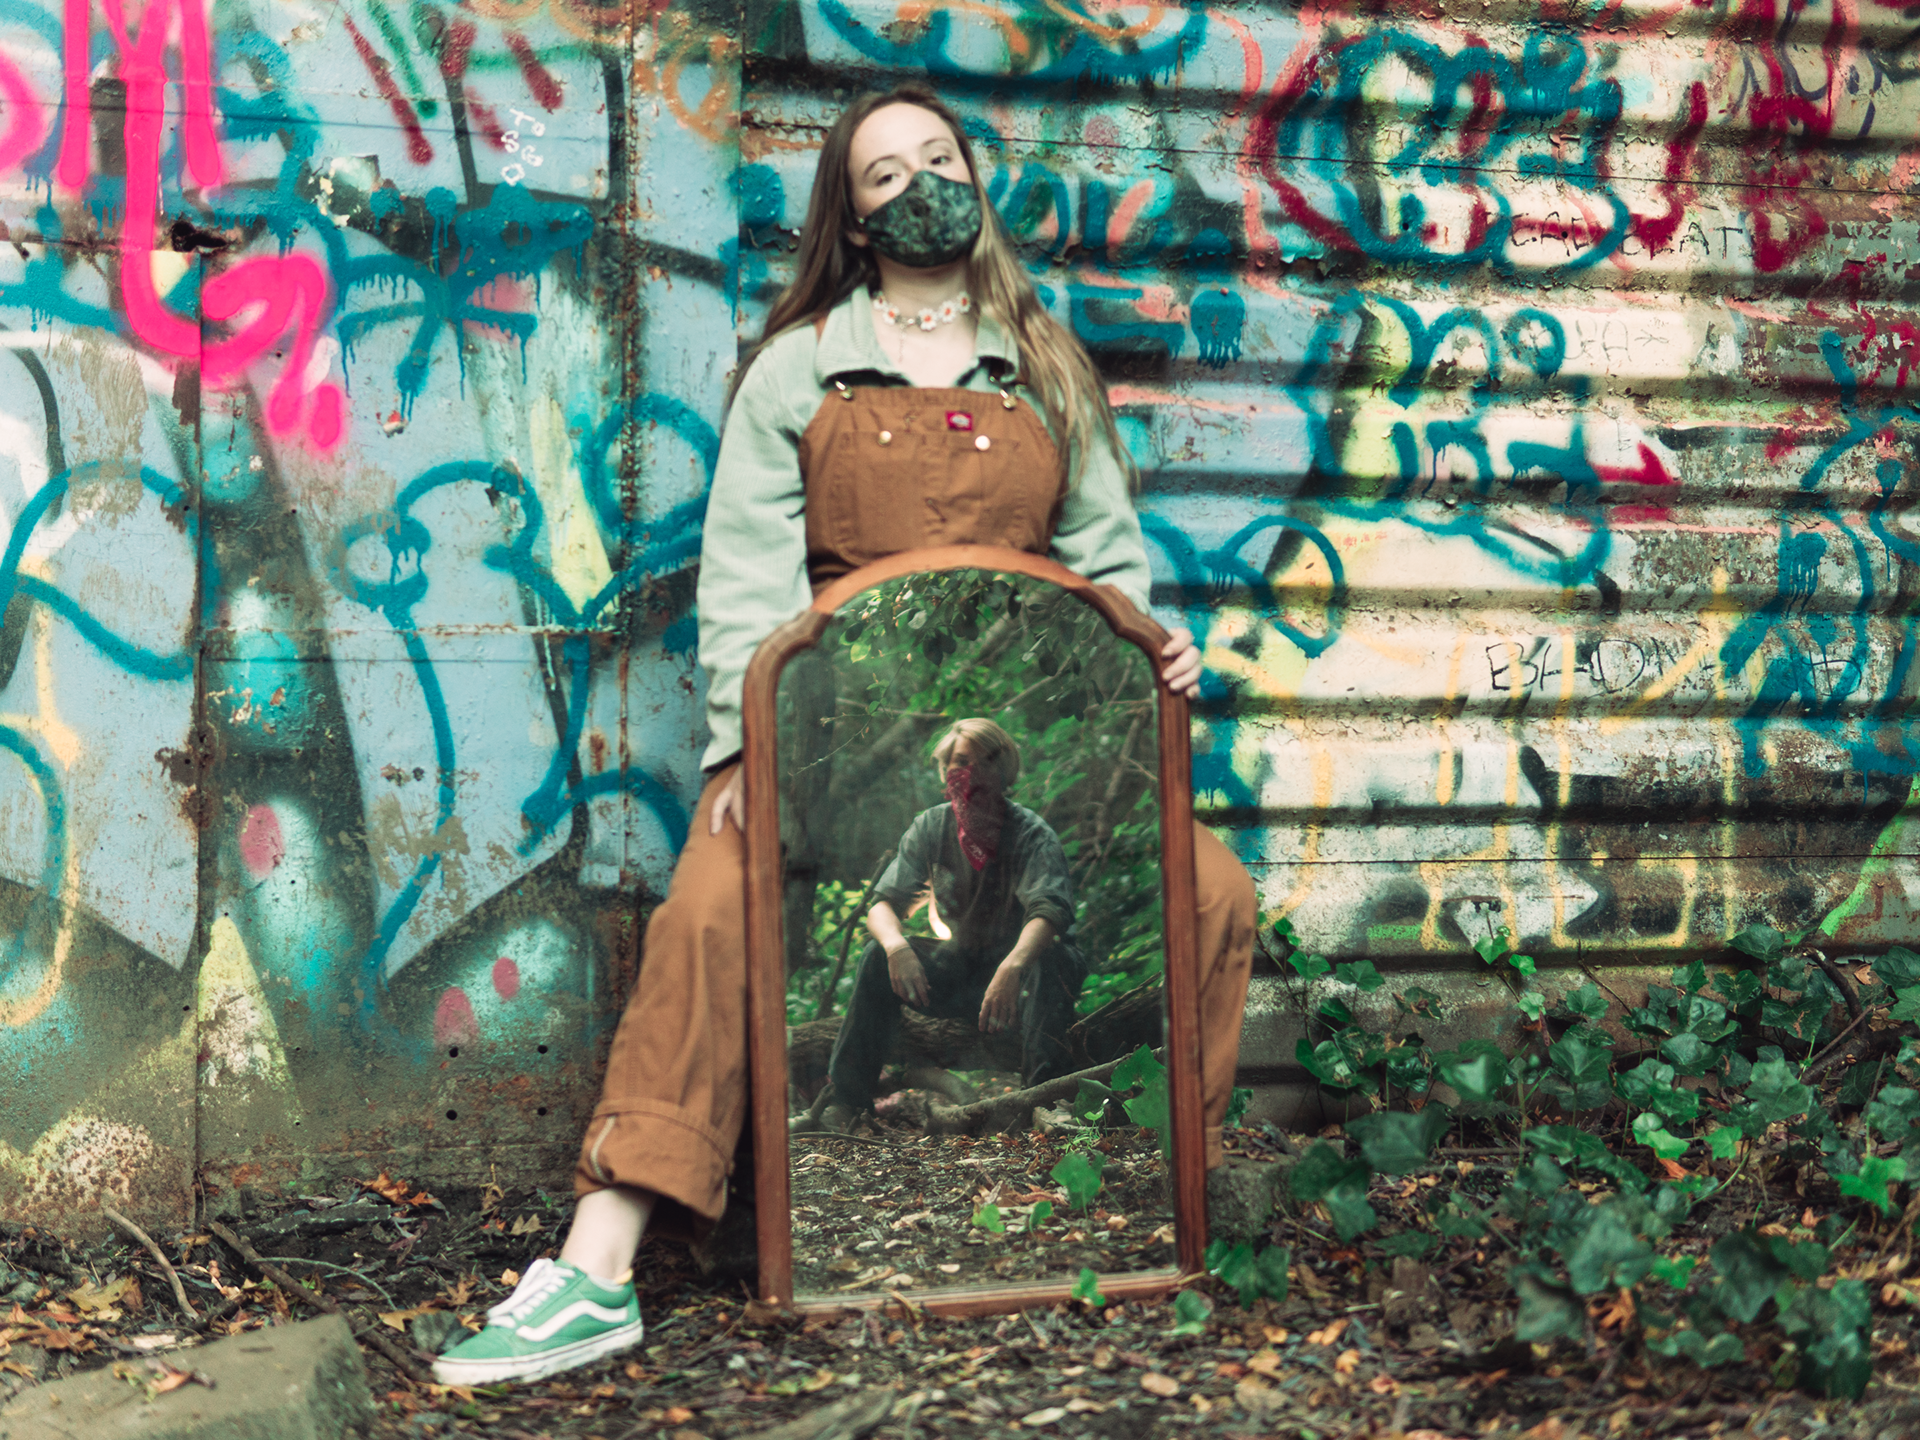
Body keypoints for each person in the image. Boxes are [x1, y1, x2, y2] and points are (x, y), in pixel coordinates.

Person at [434, 82, 1256, 1387]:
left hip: (995, 742)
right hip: (823, 737)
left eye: (942, 158)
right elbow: (746, 588)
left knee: (1212, 891)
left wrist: (1152, 651)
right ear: (855, 220)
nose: (924, 183)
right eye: (887, 174)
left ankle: (1156, 1211)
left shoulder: (1048, 367)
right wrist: (739, 753)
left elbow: (1106, 572)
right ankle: (596, 1270)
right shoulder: (799, 371)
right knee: (711, 907)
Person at [824, 719, 1085, 1126]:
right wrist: (896, 947)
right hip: (964, 972)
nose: (971, 773)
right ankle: (846, 1103)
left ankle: (1044, 1104)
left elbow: (1049, 911)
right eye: (961, 761)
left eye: (985, 762)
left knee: (1055, 958)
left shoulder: (1031, 834)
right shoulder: (932, 826)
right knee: (877, 955)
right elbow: (882, 906)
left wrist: (1013, 967)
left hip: (1024, 984)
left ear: (1004, 771)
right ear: (945, 768)